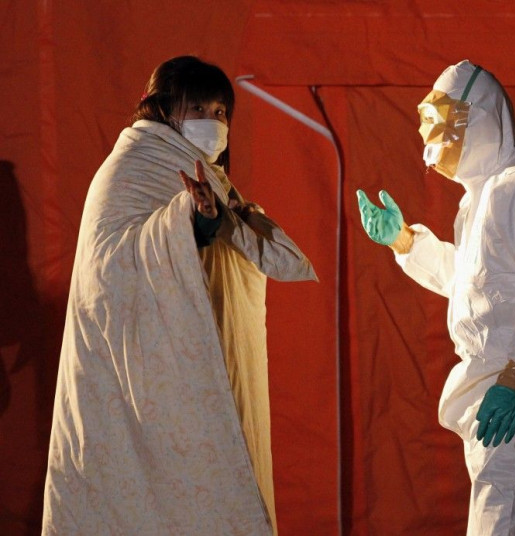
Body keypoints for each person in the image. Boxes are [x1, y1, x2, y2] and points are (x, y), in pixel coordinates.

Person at [42, 55, 317, 535]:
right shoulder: (128, 170)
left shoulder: (209, 181)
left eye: (220, 112)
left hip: (188, 366)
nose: (212, 123)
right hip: (126, 377)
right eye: (199, 108)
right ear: (163, 108)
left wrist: (215, 217)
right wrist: (189, 221)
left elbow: (210, 242)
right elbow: (112, 269)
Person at [357, 60, 515, 534]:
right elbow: (479, 288)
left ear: (481, 117)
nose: (434, 141)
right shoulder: (485, 195)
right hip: (508, 393)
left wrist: (514, 379)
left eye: (445, 124)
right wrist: (407, 242)